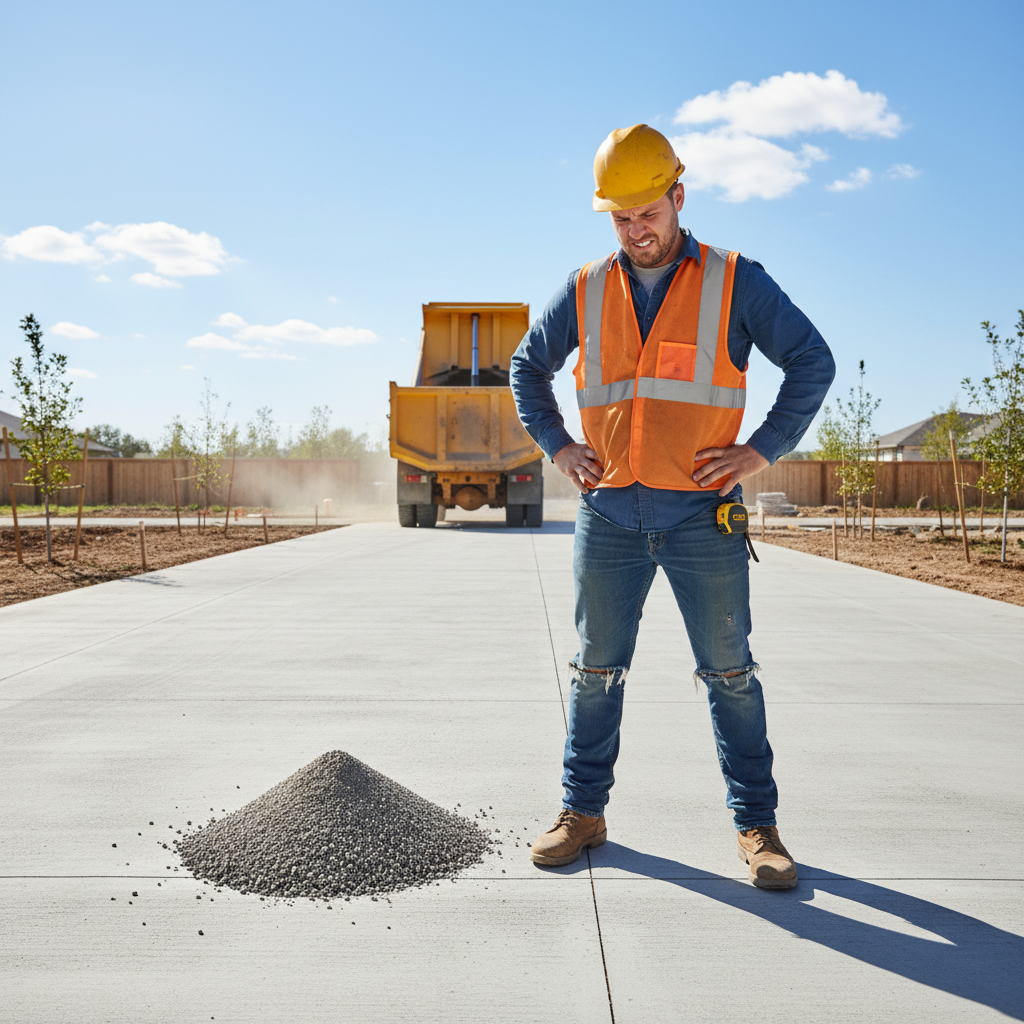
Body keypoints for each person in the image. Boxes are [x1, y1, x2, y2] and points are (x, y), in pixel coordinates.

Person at [509, 124, 835, 889]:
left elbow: (811, 360)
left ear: (678, 197)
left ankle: (758, 826)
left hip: (701, 519)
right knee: (594, 671)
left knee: (730, 673)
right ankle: (582, 812)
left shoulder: (735, 279)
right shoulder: (586, 287)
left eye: (648, 213)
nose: (636, 231)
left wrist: (761, 450)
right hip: (608, 515)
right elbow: (528, 367)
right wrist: (559, 446)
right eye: (621, 218)